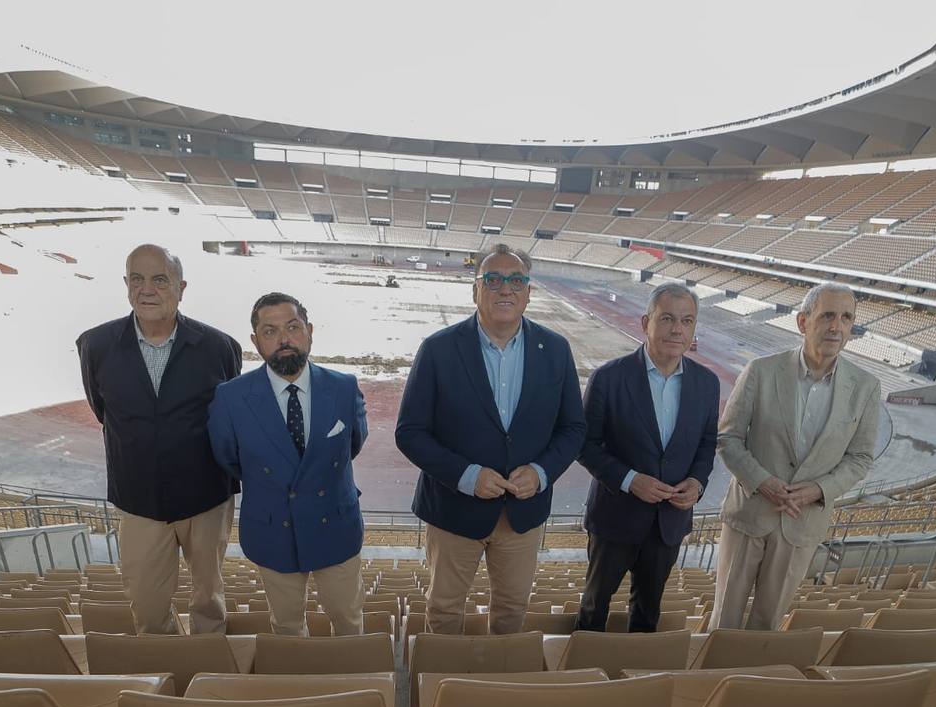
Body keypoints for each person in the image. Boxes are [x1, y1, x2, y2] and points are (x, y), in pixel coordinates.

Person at [395, 244, 586, 635]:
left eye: (516, 280)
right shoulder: (438, 349)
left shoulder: (555, 350)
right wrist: (466, 475)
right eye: (493, 279)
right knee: (445, 612)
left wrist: (541, 472)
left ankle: (500, 691)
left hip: (522, 515)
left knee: (512, 612)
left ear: (528, 292)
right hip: (453, 511)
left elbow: (573, 429)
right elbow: (410, 432)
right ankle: (440, 689)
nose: (505, 289)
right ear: (476, 290)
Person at [77, 244, 242, 635]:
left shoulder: (220, 347)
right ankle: (168, 672)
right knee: (148, 609)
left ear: (181, 288)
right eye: (137, 278)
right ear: (125, 284)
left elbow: (227, 419)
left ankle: (207, 667)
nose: (146, 289)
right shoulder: (96, 346)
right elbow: (104, 411)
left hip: (206, 500)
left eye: (159, 279)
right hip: (138, 500)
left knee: (209, 599)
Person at [711, 281, 880, 631]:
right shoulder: (761, 371)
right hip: (750, 514)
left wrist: (817, 489)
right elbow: (728, 438)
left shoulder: (865, 387)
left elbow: (860, 457)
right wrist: (763, 482)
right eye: (828, 315)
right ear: (803, 322)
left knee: (767, 624)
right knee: (723, 619)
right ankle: (707, 683)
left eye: (846, 318)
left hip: (803, 523)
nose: (837, 326)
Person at [208, 292, 368, 636]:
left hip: (335, 526)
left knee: (349, 621)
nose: (284, 339)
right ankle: (298, 685)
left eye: (293, 327)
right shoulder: (231, 397)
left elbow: (352, 443)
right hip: (272, 530)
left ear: (309, 331)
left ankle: (357, 683)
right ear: (255, 341)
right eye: (270, 331)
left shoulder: (344, 388)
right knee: (287, 626)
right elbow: (230, 458)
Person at [577, 284, 720, 632]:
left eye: (687, 321)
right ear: (646, 322)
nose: (677, 329)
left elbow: (706, 444)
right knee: (595, 606)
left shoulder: (707, 383)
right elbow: (584, 445)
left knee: (647, 611)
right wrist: (629, 480)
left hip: (668, 523)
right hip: (615, 517)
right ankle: (580, 677)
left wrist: (697, 483)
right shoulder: (609, 378)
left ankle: (636, 679)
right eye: (667, 318)